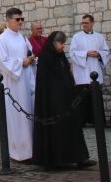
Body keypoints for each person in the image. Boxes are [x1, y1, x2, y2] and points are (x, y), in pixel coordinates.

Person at [32, 32, 94, 170]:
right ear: (53, 43)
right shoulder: (44, 57)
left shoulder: (60, 56)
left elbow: (65, 73)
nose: (62, 46)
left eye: (63, 43)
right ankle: (54, 160)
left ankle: (79, 158)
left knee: (73, 129)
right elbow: (44, 82)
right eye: (60, 43)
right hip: (52, 101)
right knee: (55, 130)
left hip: (66, 99)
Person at [0, 8, 36, 161]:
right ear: (8, 20)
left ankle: (30, 151)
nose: (20, 22)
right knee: (16, 119)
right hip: (12, 85)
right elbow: (1, 62)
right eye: (18, 19)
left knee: (28, 116)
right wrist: (21, 62)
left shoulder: (23, 37)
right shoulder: (2, 39)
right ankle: (17, 152)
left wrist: (31, 59)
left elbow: (30, 53)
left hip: (25, 80)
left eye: (22, 19)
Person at [69, 14, 110, 127]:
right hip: (83, 73)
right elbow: (72, 53)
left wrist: (98, 54)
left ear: (92, 23)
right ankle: (81, 121)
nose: (84, 25)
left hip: (96, 69)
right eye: (83, 23)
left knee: (96, 97)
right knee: (83, 98)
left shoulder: (99, 37)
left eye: (86, 23)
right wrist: (86, 53)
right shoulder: (77, 37)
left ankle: (98, 121)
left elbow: (106, 52)